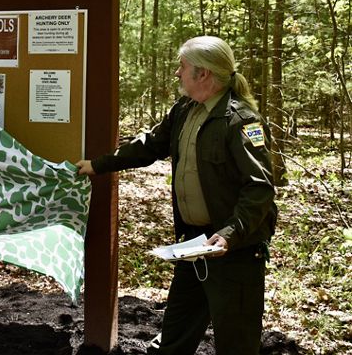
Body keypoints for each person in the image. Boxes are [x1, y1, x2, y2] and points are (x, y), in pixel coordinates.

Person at [76, 36, 277, 355]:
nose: (176, 73)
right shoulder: (184, 109)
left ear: (204, 74)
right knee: (174, 338)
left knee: (237, 343)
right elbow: (150, 146)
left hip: (233, 254)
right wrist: (98, 165)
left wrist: (229, 235)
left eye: (182, 67)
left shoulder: (241, 120)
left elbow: (260, 187)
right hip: (194, 248)